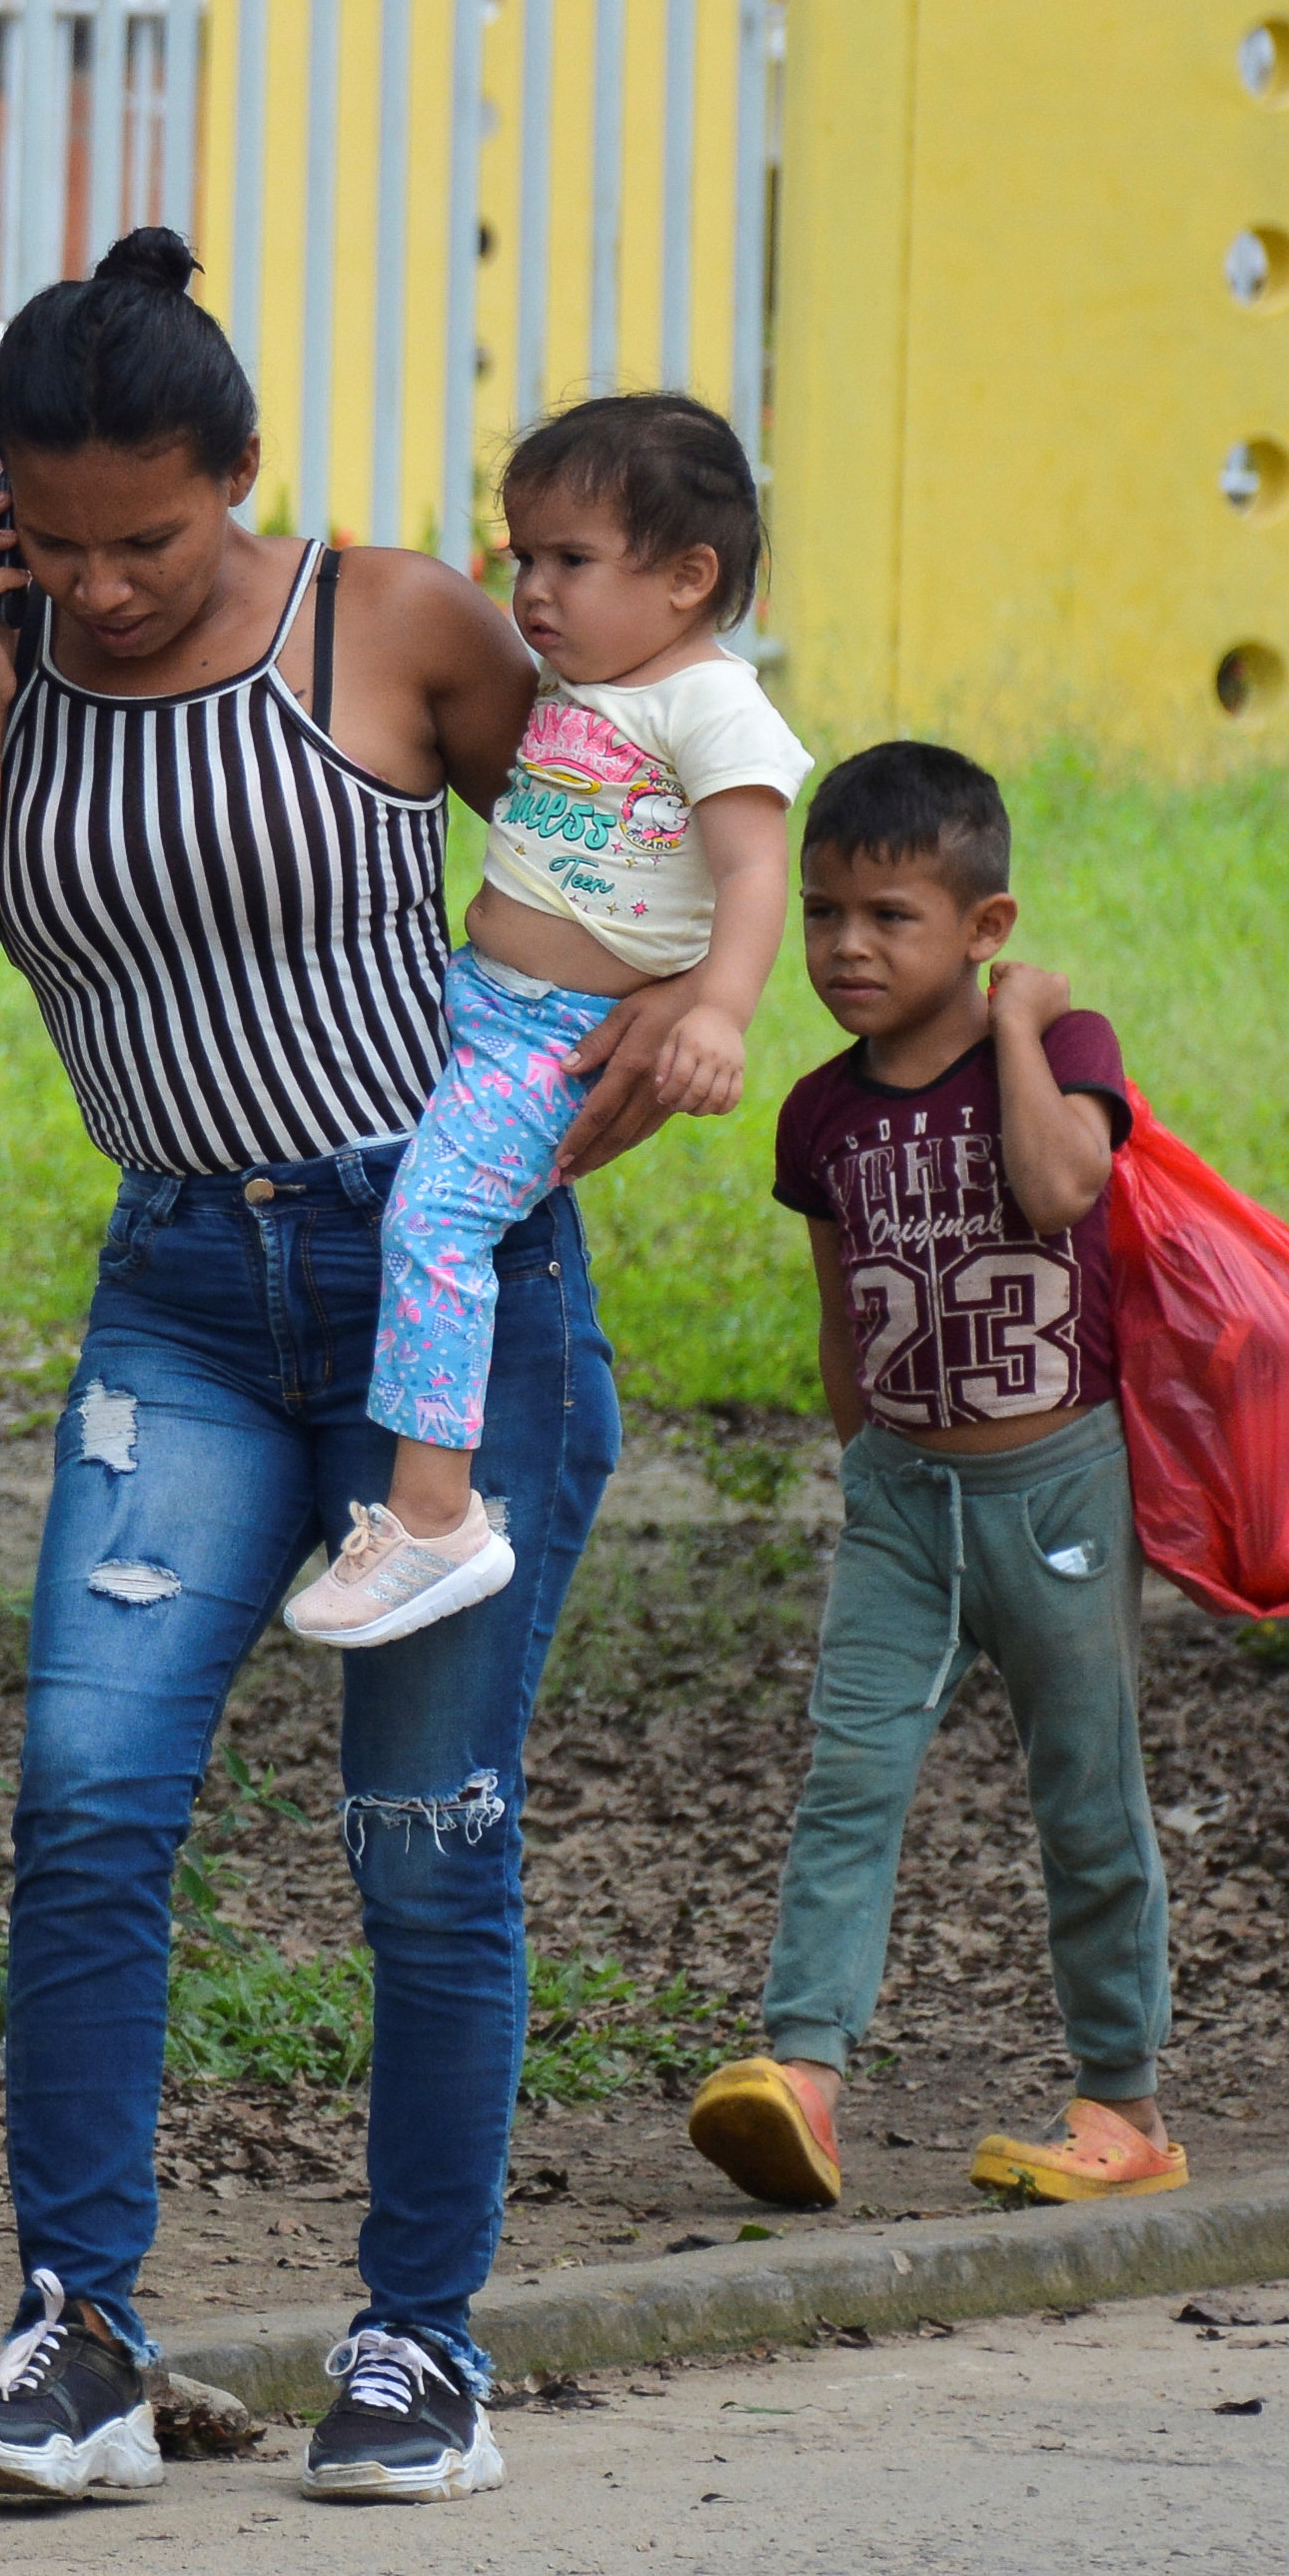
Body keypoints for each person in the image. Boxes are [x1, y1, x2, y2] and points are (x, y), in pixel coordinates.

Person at [0, 229, 653, 2513]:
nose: (101, 586)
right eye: (57, 537)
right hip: (183, 1287)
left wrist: (611, 1043)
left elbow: (617, 819)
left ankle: (417, 2344)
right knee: (92, 1805)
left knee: (423, 1832)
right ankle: (76, 2332)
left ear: (245, 480)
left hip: (440, 1286)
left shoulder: (382, 624)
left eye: (151, 539)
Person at [680, 740, 1183, 2218]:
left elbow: (1061, 1187)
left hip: (1059, 1491)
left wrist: (1024, 1031)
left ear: (987, 927)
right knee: (851, 1782)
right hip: (902, 1498)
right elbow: (840, 1307)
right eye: (827, 913)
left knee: (1088, 1800)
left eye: (891, 917)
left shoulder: (1067, 1048)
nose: (845, 948)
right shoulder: (819, 1115)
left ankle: (1124, 2106)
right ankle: (805, 2080)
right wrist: (861, 1462)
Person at [285, 396, 806, 1648]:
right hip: (475, 997)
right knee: (385, 1178)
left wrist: (719, 1011)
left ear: (691, 578)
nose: (533, 589)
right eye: (523, 555)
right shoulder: (588, 687)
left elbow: (752, 874)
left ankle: (432, 1515)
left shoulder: (713, 706)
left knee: (437, 1218)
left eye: (571, 559)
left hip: (558, 1035)